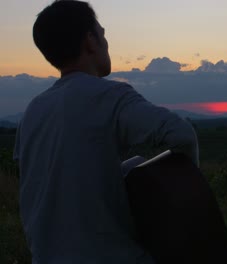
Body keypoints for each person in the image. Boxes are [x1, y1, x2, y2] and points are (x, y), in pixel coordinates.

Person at [13, 1, 199, 263]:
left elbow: (47, 179)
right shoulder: (111, 96)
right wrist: (190, 200)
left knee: (133, 164)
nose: (106, 42)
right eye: (102, 33)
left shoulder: (32, 111)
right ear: (90, 41)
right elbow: (181, 134)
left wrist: (124, 171)